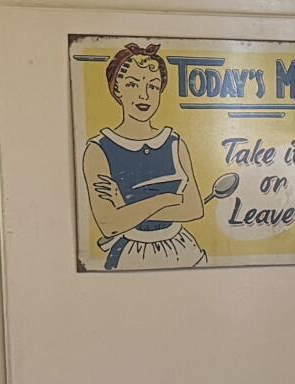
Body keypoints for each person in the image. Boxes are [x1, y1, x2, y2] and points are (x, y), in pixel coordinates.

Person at [84, 42, 216, 269]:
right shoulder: (98, 149)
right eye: (133, 84)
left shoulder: (175, 144)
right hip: (132, 253)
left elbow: (194, 209)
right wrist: (167, 199)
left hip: (183, 248)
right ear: (117, 89)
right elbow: (109, 224)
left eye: (153, 87)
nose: (144, 95)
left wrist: (126, 207)